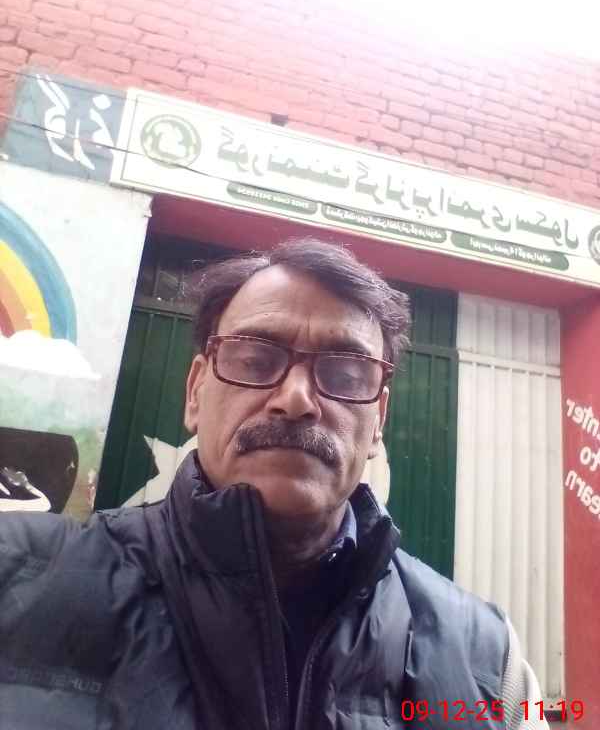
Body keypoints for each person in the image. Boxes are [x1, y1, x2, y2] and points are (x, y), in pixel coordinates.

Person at [0, 238, 547, 729]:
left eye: (344, 374)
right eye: (255, 359)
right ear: (195, 393)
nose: (296, 399)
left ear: (378, 419)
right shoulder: (15, 578)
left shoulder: (490, 663)